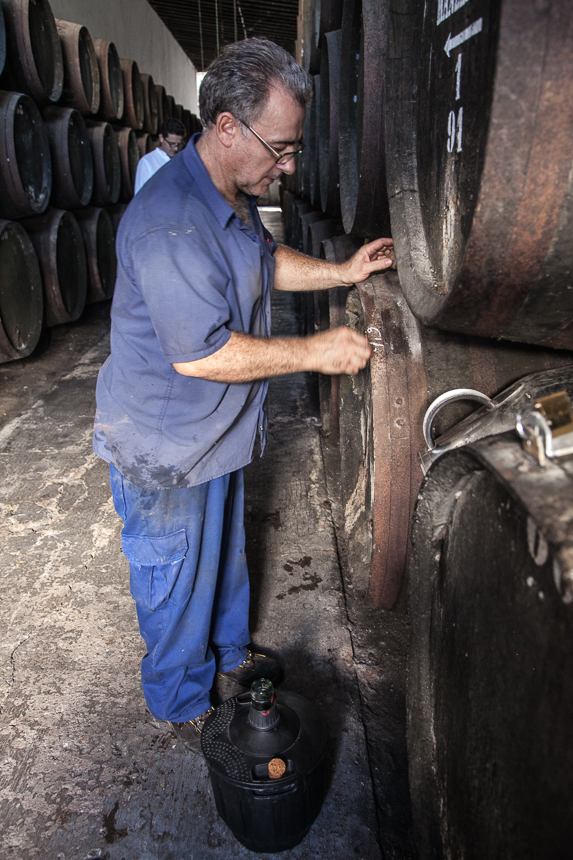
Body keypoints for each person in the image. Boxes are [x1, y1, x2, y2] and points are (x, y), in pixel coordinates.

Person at [93, 38, 394, 754]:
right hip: (165, 447)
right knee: (174, 579)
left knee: (222, 560)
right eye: (281, 149)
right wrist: (315, 352)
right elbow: (202, 355)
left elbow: (263, 262)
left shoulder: (225, 192)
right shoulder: (170, 221)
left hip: (217, 437)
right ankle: (179, 701)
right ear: (227, 125)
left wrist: (342, 272)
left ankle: (228, 656)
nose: (288, 168)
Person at [134, 117, 186, 194]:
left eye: (179, 145)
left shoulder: (182, 161)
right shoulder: (147, 162)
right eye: (172, 144)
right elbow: (140, 197)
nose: (175, 148)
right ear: (161, 138)